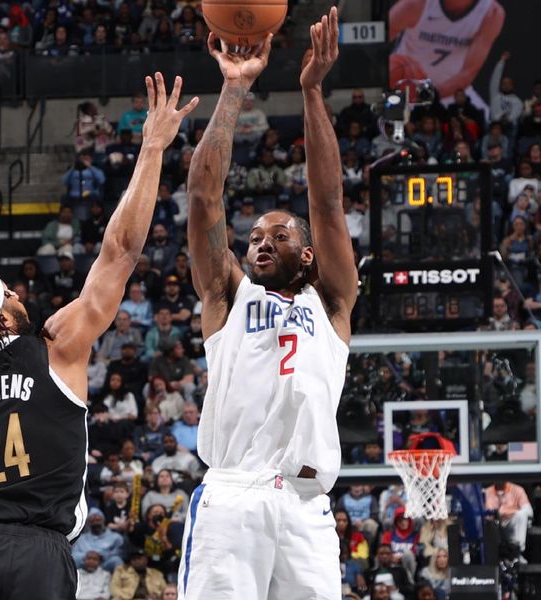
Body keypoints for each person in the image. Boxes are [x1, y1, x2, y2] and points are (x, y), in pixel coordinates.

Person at [0, 73, 197, 600]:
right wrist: (153, 148)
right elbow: (119, 252)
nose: (20, 296)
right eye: (9, 295)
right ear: (3, 320)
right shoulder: (58, 345)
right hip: (37, 552)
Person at [178, 10, 358, 599]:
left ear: (306, 256)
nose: (259, 241)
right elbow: (204, 194)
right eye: (254, 235)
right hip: (235, 496)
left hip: (307, 508)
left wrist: (311, 90)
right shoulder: (229, 294)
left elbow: (328, 203)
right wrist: (233, 89)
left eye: (278, 235)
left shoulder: (332, 304)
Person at [389, 0, 504, 110]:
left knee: (487, 123)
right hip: (404, 86)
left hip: (448, 92)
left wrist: (428, 96)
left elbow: (468, 73)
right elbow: (376, 44)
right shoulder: (416, 4)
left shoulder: (491, 13)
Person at [483, 481, 534, 558]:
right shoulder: (486, 492)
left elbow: (529, 511)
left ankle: (517, 553)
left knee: (522, 514)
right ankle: (491, 557)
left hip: (511, 522)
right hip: (493, 525)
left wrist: (507, 512)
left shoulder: (517, 490)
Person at [71, 508, 126, 573]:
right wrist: (89, 557)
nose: (96, 523)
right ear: (88, 523)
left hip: (104, 565)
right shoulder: (81, 538)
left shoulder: (116, 537)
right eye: (92, 521)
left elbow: (121, 553)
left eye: (98, 520)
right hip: (84, 566)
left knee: (117, 561)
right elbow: (74, 554)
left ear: (103, 520)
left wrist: (102, 555)